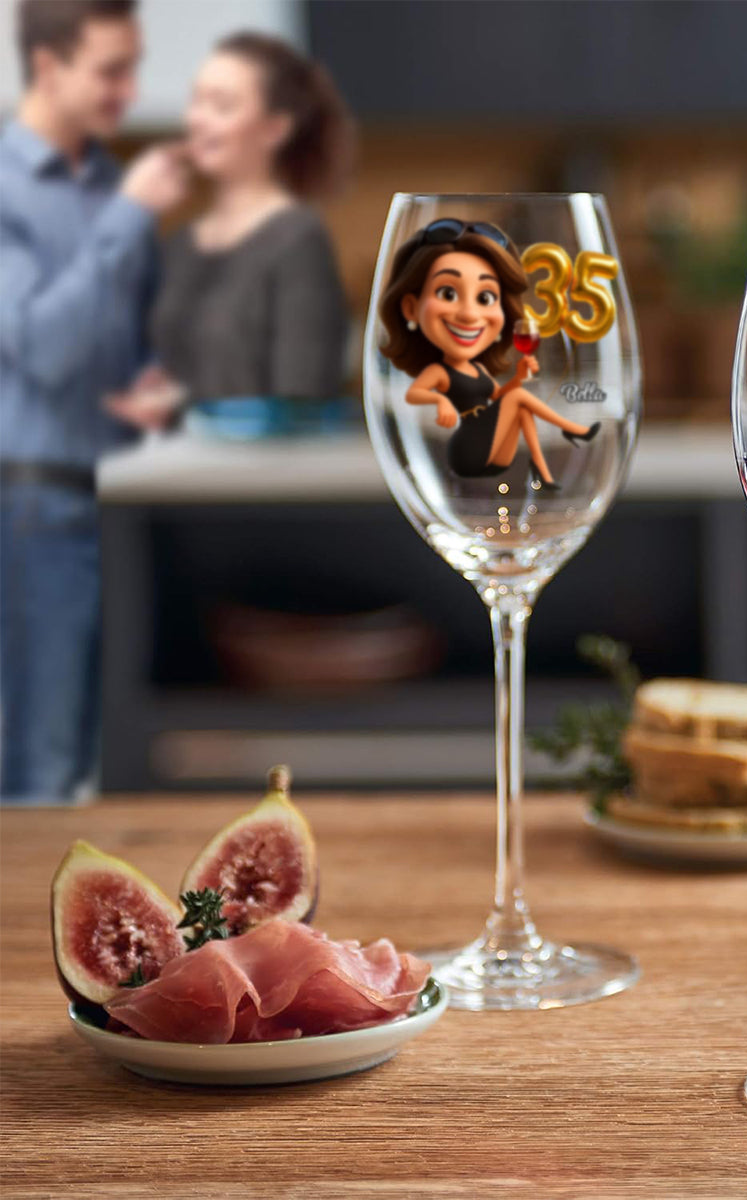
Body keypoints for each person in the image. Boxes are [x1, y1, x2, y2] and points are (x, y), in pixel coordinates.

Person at [0, 0, 188, 804]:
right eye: (110, 68)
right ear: (48, 66)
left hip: (109, 498)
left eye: (132, 65)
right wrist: (129, 218)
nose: (126, 88)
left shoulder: (104, 184)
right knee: (38, 764)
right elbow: (38, 345)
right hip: (31, 502)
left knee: (96, 762)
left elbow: (114, 349)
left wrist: (152, 388)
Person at [106, 31, 353, 427]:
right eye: (196, 100)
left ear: (275, 128)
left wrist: (180, 410)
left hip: (253, 482)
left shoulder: (299, 240)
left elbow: (303, 403)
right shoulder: (179, 243)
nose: (197, 119)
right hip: (168, 475)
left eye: (221, 105)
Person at [377, 220, 599, 490]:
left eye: (485, 298)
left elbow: (498, 396)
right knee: (518, 400)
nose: (470, 314)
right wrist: (440, 401)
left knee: (520, 405)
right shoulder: (438, 371)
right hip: (467, 451)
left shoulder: (479, 370)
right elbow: (413, 394)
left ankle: (543, 471)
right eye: (448, 293)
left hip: (492, 448)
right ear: (411, 308)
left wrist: (518, 376)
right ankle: (572, 429)